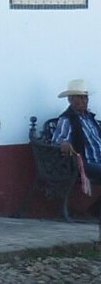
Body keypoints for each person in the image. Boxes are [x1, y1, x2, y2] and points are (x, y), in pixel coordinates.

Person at [52, 79, 101, 213]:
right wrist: (64, 143)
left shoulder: (90, 118)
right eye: (80, 97)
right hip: (85, 163)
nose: (84, 101)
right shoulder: (67, 119)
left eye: (86, 97)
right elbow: (58, 140)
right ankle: (96, 210)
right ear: (70, 100)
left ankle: (96, 210)